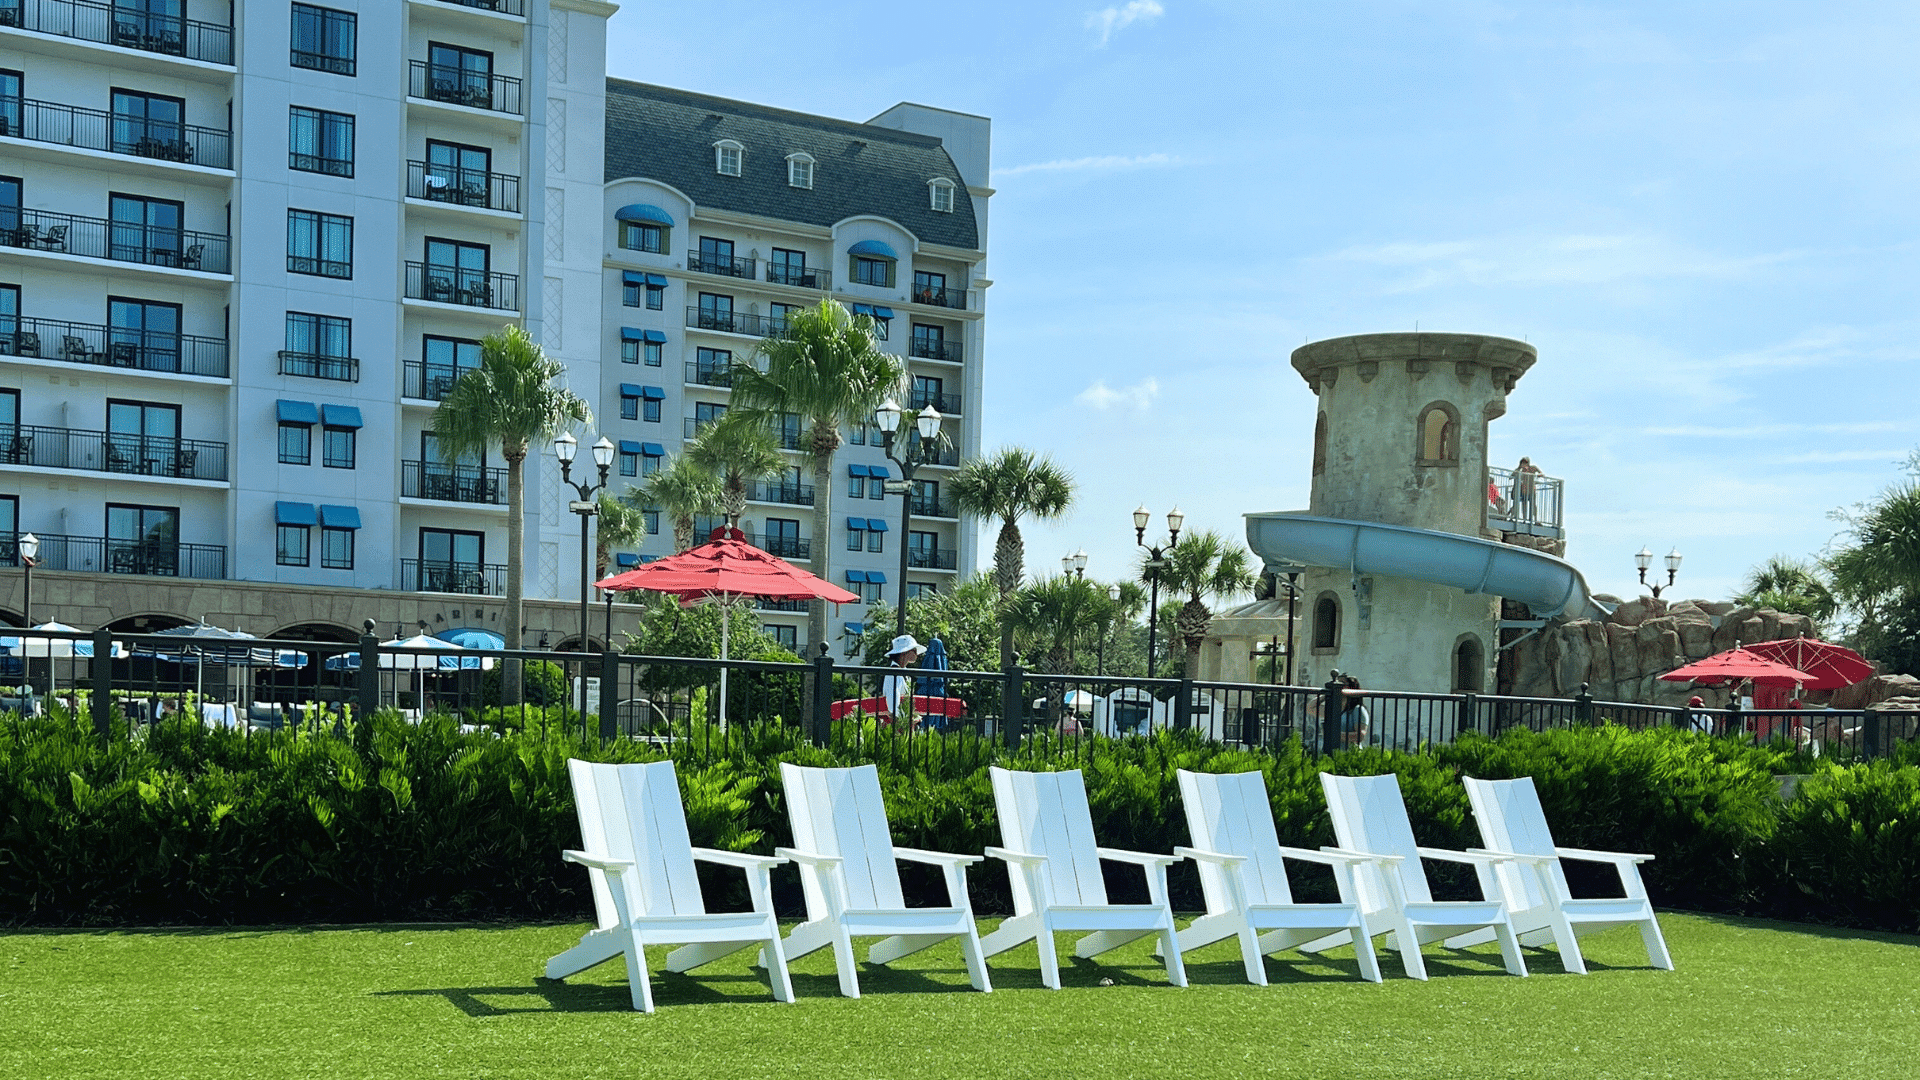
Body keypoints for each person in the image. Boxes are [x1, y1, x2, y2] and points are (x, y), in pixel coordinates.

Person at [881, 634, 923, 723]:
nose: (917, 654)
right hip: (897, 725)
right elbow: (893, 706)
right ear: (905, 652)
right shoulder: (893, 675)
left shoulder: (903, 674)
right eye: (914, 650)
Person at [1339, 675, 1370, 748]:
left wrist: (1335, 735)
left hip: (1350, 754)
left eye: (1342, 684)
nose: (1339, 687)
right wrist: (1328, 693)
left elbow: (1360, 736)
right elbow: (1310, 708)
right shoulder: (1338, 709)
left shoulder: (1357, 709)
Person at [1511, 457, 1541, 522]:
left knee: (1533, 505)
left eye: (1525, 463)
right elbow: (1511, 476)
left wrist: (1538, 475)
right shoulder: (1520, 470)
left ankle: (1535, 519)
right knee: (1524, 505)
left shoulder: (1533, 468)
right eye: (1523, 463)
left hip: (1531, 490)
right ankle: (1524, 519)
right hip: (1524, 490)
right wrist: (1519, 470)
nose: (1524, 464)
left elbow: (1541, 473)